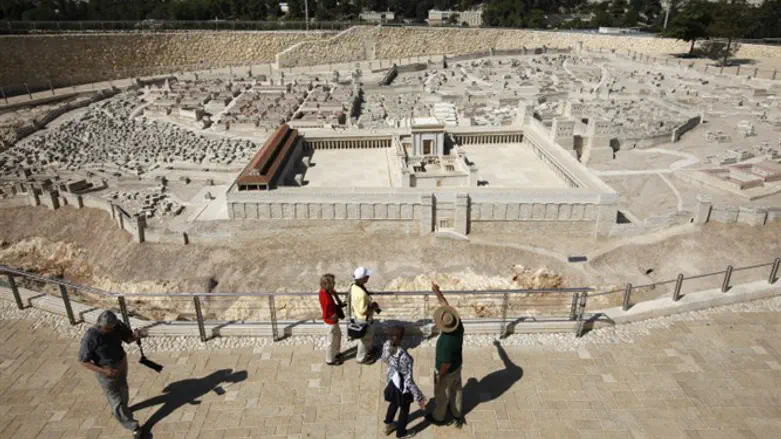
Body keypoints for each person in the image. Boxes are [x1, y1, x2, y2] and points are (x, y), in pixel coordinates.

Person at [79, 310, 145, 438]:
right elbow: (83, 361)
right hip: (105, 370)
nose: (110, 330)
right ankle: (133, 426)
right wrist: (104, 371)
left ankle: (122, 411)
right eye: (107, 329)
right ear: (100, 325)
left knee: (123, 388)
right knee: (115, 398)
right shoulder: (91, 337)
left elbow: (128, 339)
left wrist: (136, 335)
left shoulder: (117, 326)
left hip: (121, 363)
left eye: (112, 328)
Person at [426, 282, 465, 428]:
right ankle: (457, 413)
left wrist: (439, 377)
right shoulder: (459, 327)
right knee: (456, 390)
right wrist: (437, 291)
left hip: (446, 372)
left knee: (441, 395)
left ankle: (439, 417)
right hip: (457, 367)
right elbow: (446, 306)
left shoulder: (445, 343)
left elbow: (445, 364)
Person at [382, 326, 427, 438]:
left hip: (392, 381)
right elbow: (409, 381)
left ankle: (388, 425)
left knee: (393, 403)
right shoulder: (405, 357)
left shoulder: (386, 345)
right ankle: (401, 433)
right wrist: (419, 397)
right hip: (402, 388)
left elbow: (384, 359)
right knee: (405, 409)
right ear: (401, 338)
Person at [350, 266, 379, 364]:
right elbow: (363, 311)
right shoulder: (361, 294)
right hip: (364, 320)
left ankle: (368, 351)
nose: (368, 277)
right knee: (365, 340)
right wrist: (373, 307)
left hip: (357, 317)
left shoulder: (353, 287)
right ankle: (361, 358)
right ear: (362, 278)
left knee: (367, 338)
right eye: (367, 276)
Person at [319, 273, 343, 366]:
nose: (335, 283)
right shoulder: (327, 298)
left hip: (333, 321)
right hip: (331, 322)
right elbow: (325, 314)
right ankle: (330, 360)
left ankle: (336, 353)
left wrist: (335, 295)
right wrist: (333, 316)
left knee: (338, 335)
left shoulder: (323, 291)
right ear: (327, 284)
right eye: (333, 282)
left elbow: (333, 291)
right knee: (331, 341)